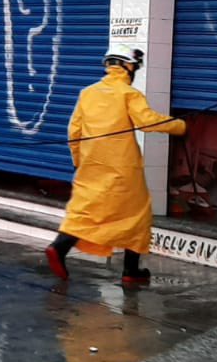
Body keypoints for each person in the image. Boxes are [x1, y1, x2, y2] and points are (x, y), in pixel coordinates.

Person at [45, 44, 186, 288]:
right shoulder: (129, 94)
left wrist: (79, 161)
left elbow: (74, 131)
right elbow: (147, 122)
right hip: (123, 169)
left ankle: (59, 246)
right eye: (134, 68)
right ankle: (131, 270)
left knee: (85, 211)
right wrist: (180, 126)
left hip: (91, 164)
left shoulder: (87, 94)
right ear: (127, 67)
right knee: (136, 215)